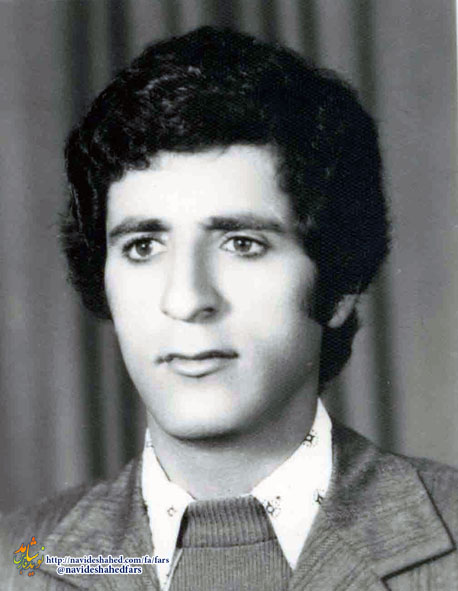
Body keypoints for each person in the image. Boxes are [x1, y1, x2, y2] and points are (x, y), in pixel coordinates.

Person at [1, 26, 457, 591]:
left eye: (242, 243)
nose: (187, 299)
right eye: (143, 246)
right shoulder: (18, 562)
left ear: (339, 287)